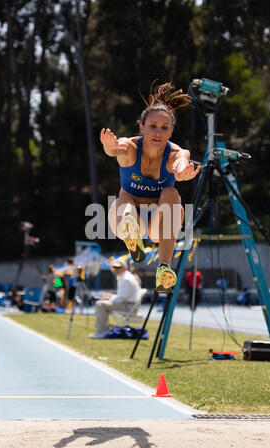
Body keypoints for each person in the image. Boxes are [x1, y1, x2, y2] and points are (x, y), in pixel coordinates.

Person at [101, 82, 200, 294]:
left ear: (171, 131)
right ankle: (132, 235)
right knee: (125, 203)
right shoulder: (130, 147)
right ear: (142, 127)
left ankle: (164, 270)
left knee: (171, 193)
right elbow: (117, 149)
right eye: (152, 126)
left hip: (158, 224)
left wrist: (182, 172)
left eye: (164, 128)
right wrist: (109, 147)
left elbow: (181, 162)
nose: (158, 132)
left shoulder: (175, 153)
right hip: (125, 216)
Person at [89, 258, 141, 339]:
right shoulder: (123, 277)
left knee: (100, 304)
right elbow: (122, 297)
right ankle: (101, 330)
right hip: (127, 304)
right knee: (101, 303)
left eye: (118, 268)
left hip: (129, 306)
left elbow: (121, 299)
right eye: (114, 268)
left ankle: (103, 331)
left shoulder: (126, 279)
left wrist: (110, 297)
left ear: (125, 268)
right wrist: (110, 297)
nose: (115, 270)